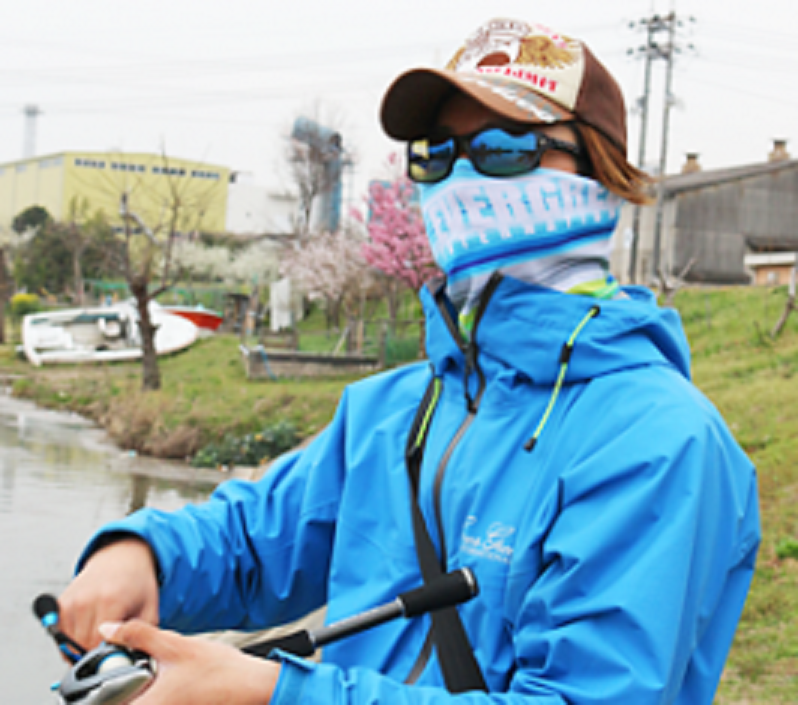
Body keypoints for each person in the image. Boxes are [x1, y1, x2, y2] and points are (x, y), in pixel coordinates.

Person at [58, 17, 760, 704]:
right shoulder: (394, 409)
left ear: (599, 175)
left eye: (506, 147)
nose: (460, 177)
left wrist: (271, 692)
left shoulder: (659, 442)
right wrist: (141, 553)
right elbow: (252, 539)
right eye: (436, 152)